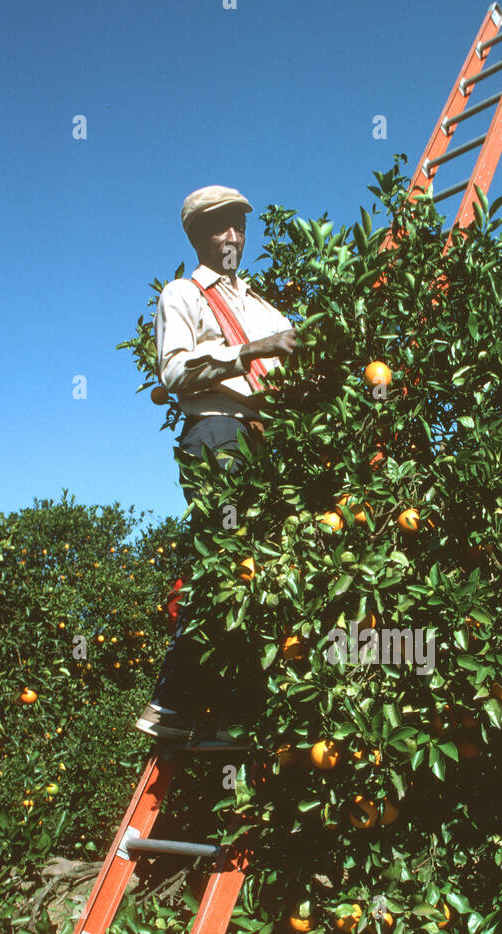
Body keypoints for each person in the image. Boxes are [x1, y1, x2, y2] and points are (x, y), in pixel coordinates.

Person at [135, 185, 298, 742]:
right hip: (218, 431)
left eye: (238, 226)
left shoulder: (261, 305)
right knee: (225, 560)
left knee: (260, 572)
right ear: (198, 236)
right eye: (220, 226)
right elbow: (175, 372)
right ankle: (171, 703)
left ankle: (232, 712)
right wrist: (250, 352)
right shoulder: (182, 294)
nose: (232, 236)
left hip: (263, 439)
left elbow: (294, 355)